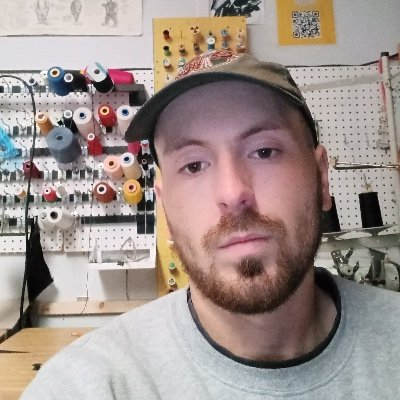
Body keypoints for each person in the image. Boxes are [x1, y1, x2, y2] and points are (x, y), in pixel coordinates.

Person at [21, 50, 400, 399]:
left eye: (264, 151)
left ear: (321, 178)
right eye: (194, 165)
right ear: (165, 204)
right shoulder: (91, 384)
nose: (233, 193)